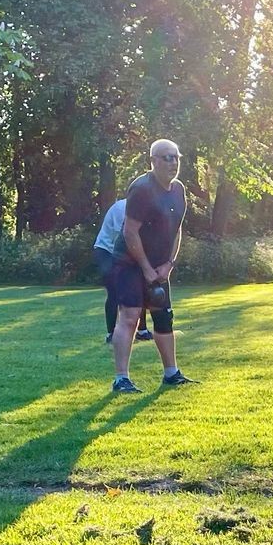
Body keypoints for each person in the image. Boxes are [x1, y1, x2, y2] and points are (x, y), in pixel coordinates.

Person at [110, 139, 195, 392]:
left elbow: (176, 230)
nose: (172, 163)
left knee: (163, 316)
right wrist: (146, 268)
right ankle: (121, 379)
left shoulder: (179, 190)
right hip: (129, 263)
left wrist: (169, 264)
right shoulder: (142, 189)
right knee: (130, 316)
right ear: (153, 161)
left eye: (176, 157)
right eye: (166, 158)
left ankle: (172, 373)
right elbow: (130, 232)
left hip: (159, 265)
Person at [92, 198, 150, 343]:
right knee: (114, 291)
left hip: (127, 250)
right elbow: (125, 237)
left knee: (139, 288)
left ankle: (142, 331)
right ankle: (111, 334)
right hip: (106, 251)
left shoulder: (146, 207)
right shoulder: (122, 208)